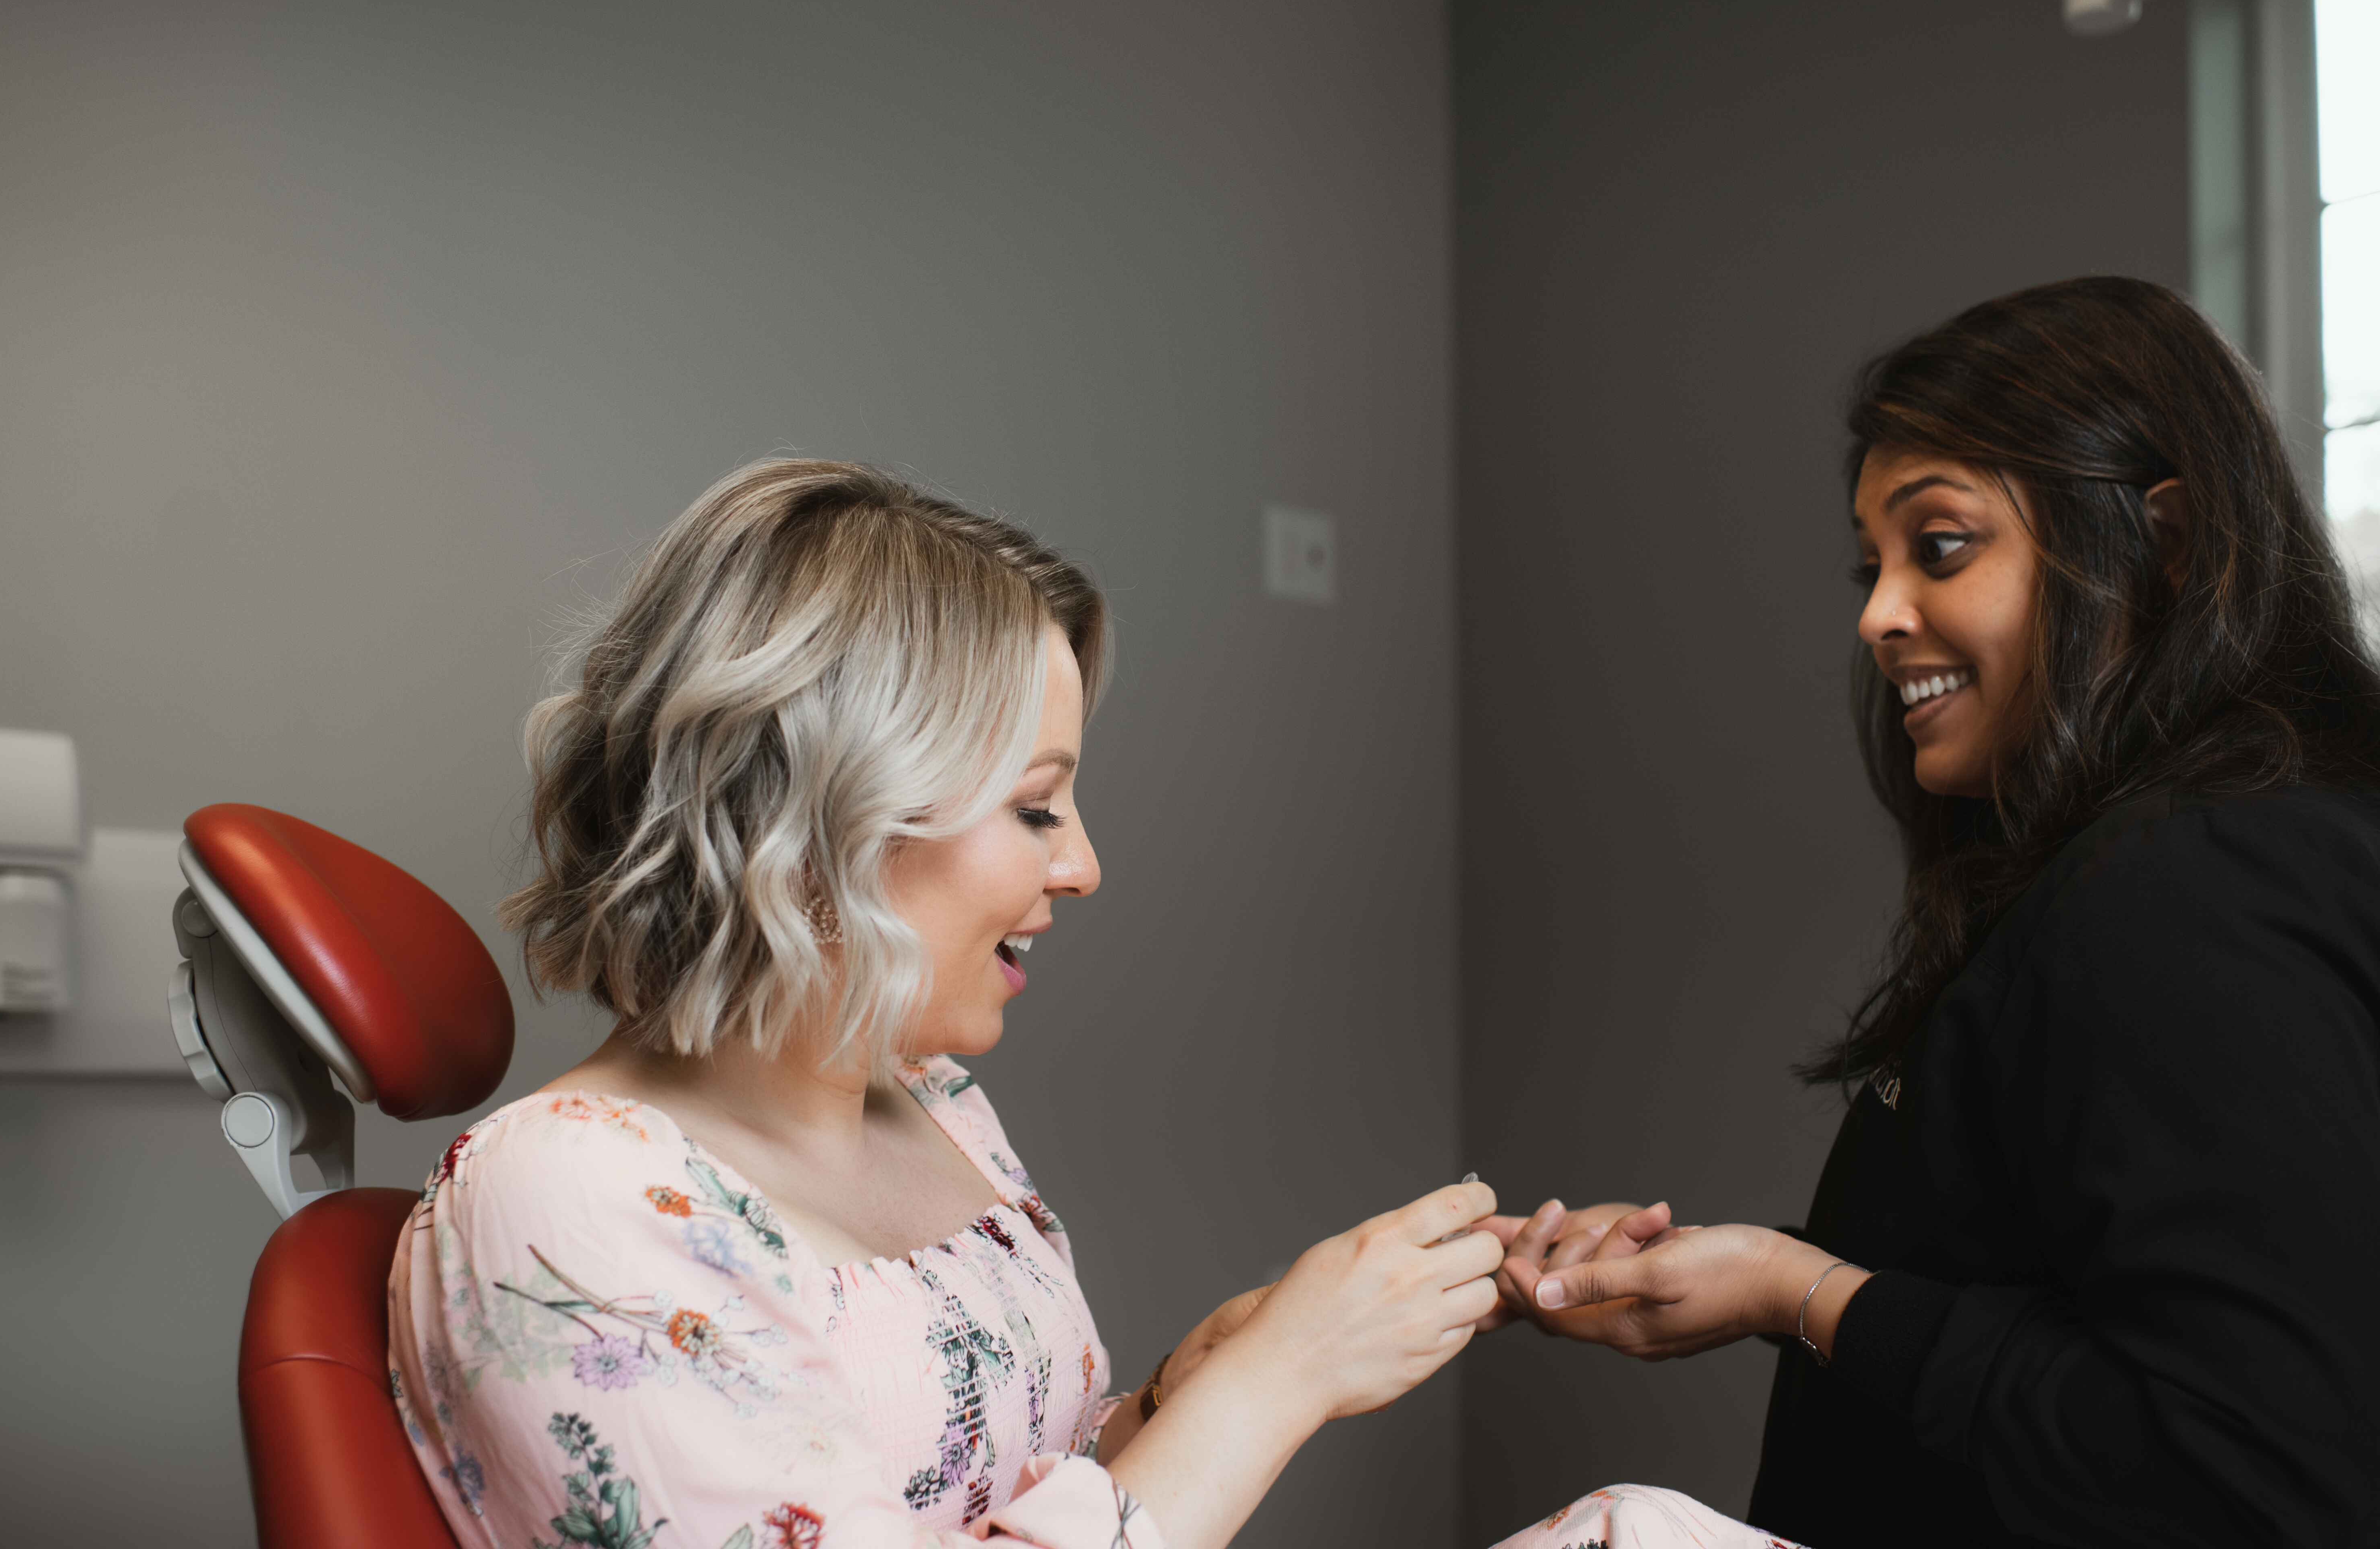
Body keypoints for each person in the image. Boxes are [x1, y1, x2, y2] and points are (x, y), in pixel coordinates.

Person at [388, 461, 1772, 1549]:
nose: (1085, 863)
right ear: (825, 819)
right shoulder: (566, 1205)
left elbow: (993, 1496)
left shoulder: (929, 1108)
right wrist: (1273, 1385)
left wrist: (1203, 1377)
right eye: (1037, 805)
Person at [1499, 278, 2380, 1547]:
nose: (1875, 615)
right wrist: (1757, 1278)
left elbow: (2253, 1470)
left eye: (1944, 546)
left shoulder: (2189, 892)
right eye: (1873, 563)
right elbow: (2091, 1292)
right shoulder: (2243, 847)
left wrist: (1803, 1292)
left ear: (2169, 547)